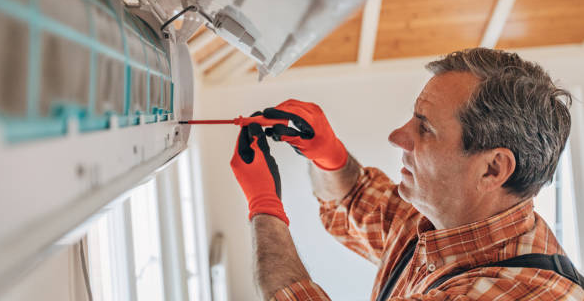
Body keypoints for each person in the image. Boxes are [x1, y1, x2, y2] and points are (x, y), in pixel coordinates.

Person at [229, 48, 584, 300]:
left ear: (492, 169)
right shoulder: (441, 226)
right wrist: (327, 155)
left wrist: (264, 208)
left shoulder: (524, 295)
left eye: (425, 128)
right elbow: (354, 200)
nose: (398, 136)